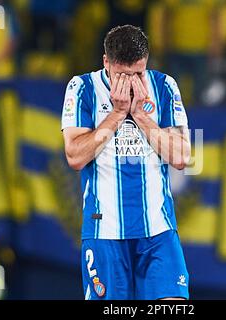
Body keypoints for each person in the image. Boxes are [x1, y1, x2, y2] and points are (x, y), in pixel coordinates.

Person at [62, 25, 191, 300]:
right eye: (122, 75)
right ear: (106, 62)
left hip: (158, 230)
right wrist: (117, 114)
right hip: (105, 231)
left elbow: (181, 157)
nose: (131, 83)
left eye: (138, 74)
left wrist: (142, 116)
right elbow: (74, 155)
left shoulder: (164, 86)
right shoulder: (82, 87)